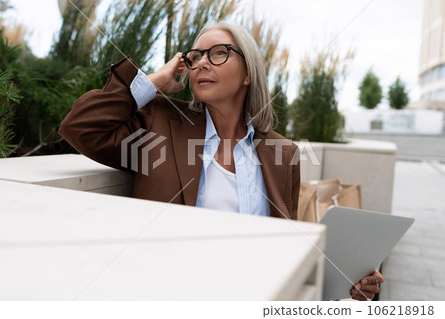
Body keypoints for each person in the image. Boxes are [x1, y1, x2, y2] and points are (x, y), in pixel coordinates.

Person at [59, 21, 383, 301]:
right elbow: (82, 127)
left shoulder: (283, 154)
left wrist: (346, 283)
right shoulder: (160, 125)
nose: (201, 63)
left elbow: (285, 248)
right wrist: (155, 81)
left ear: (248, 74)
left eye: (218, 53)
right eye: (195, 56)